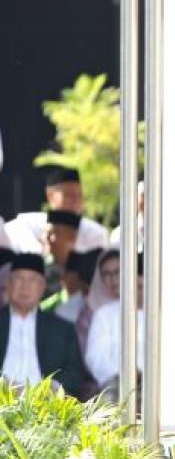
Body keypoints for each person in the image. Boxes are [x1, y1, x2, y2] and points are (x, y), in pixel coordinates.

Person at [0, 253, 85, 396]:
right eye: (19, 279)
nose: (25, 286)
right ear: (8, 284)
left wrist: (51, 389)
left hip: (46, 406)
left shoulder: (62, 329)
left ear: (42, 287)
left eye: (32, 280)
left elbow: (75, 373)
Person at [6, 167, 109, 253]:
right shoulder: (27, 224)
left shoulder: (96, 232)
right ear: (50, 195)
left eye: (79, 196)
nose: (75, 201)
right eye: (68, 195)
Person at [85, 251, 146, 397]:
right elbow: (95, 357)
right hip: (116, 382)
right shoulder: (104, 314)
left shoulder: (171, 314)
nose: (113, 279)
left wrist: (146, 373)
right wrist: (126, 373)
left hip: (164, 381)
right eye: (107, 274)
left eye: (141, 285)